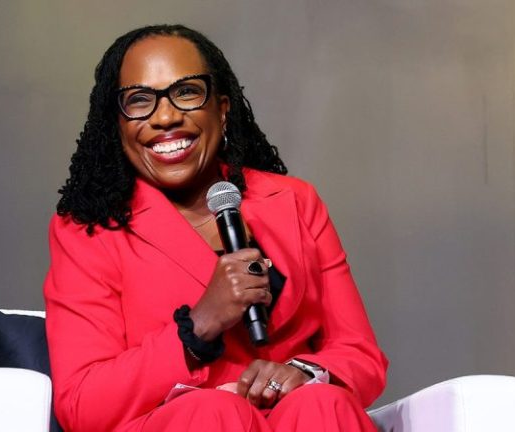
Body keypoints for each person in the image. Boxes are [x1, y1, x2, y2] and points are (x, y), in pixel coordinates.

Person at [43, 24, 388, 432]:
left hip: (302, 421)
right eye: (139, 100)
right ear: (117, 125)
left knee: (322, 403)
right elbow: (82, 403)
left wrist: (303, 372)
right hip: (189, 422)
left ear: (222, 109)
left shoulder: (295, 201)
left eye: (187, 92)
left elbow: (360, 354)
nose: (166, 116)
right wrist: (198, 327)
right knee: (214, 413)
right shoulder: (89, 231)